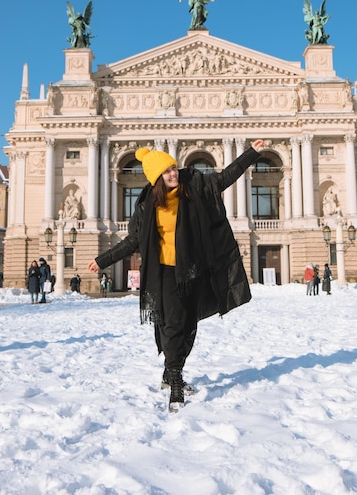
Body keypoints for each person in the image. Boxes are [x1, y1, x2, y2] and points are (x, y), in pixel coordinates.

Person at [88, 139, 265, 412]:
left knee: (189, 325)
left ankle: (170, 371)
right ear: (156, 179)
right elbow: (133, 241)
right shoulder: (147, 205)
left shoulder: (194, 184)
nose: (173, 174)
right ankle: (176, 379)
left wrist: (251, 153)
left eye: (173, 168)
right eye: (166, 172)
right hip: (165, 271)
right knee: (173, 324)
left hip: (194, 268)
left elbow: (225, 177)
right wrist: (103, 260)